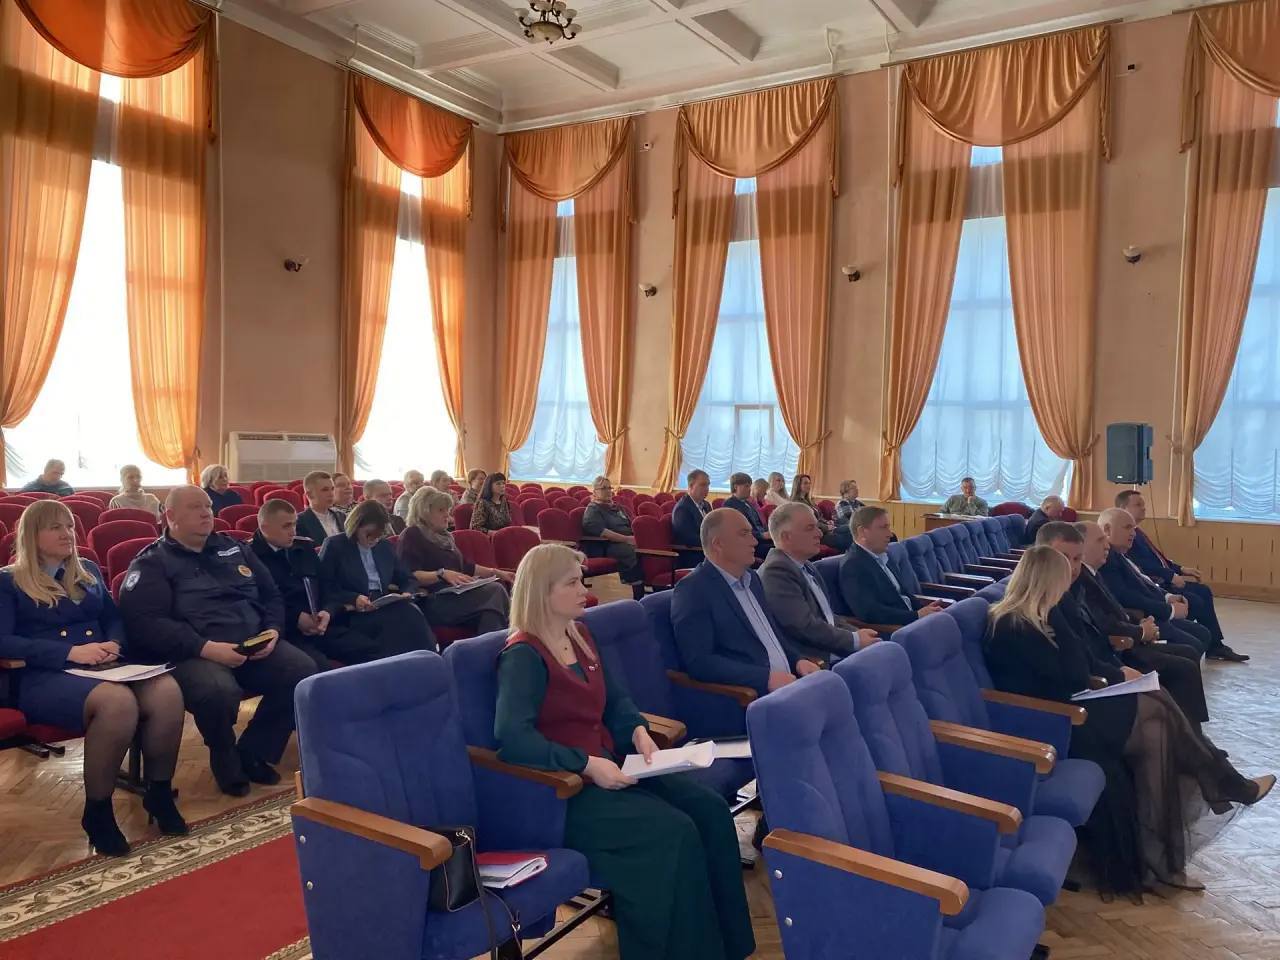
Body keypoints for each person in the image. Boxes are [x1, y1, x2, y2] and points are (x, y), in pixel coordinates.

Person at [495, 543, 754, 960]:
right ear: (543, 591)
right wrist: (585, 764)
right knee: (671, 832)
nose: (585, 590)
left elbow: (616, 701)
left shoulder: (580, 635)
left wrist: (636, 730)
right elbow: (513, 737)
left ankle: (729, 946)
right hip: (564, 793)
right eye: (572, 583)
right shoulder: (523, 655)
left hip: (613, 768)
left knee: (708, 809)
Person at [983, 546, 1272, 896]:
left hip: (1073, 705)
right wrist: (1061, 620)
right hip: (1053, 722)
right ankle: (1215, 788)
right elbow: (1073, 674)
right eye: (1061, 581)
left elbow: (1074, 671)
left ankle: (1167, 852)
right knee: (1155, 718)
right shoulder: (1015, 625)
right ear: (1046, 582)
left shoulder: (1036, 617)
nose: (1067, 586)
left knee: (1156, 716)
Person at [0, 500, 187, 855]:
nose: (67, 533)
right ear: (32, 535)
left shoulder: (85, 569)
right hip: (43, 674)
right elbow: (3, 640)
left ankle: (159, 792)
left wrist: (115, 642)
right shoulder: (8, 580)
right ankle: (98, 811)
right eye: (55, 527)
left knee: (167, 692)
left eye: (70, 526)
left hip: (100, 663)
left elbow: (113, 617)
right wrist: (69, 652)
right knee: (118, 703)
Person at [119, 486, 317, 797]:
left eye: (208, 506)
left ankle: (254, 750)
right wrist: (206, 648)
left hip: (253, 642)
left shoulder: (234, 548)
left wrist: (273, 631)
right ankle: (224, 756)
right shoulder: (153, 562)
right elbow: (147, 623)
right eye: (195, 507)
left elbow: (271, 595)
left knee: (303, 672)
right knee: (217, 691)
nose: (206, 513)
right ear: (170, 516)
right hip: (194, 652)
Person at [1041, 521, 1209, 731]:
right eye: (1100, 540)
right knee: (1173, 680)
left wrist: (1139, 625)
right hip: (1109, 661)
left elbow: (1105, 620)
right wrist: (1137, 636)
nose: (1107, 545)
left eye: (1075, 559)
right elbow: (1095, 636)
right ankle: (1190, 735)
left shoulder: (1083, 579)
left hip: (1111, 655)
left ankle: (1192, 734)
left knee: (1185, 660)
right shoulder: (1060, 596)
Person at [671, 508, 820, 698]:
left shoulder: (753, 579)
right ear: (718, 544)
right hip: (750, 697)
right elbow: (700, 662)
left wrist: (798, 660)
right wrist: (765, 678)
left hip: (788, 683)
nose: (754, 541)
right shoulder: (693, 590)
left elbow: (771, 634)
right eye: (744, 534)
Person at [252, 498, 392, 668]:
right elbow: (261, 602)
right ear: (265, 527)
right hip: (286, 630)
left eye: (294, 524)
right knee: (319, 668)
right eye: (286, 526)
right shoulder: (251, 556)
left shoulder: (303, 547)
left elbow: (326, 586)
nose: (293, 531)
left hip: (321, 624)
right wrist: (296, 618)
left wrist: (327, 611)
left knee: (373, 652)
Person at [1116, 490, 1245, 662]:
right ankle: (1187, 640)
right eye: (1138, 505)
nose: (1144, 508)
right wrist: (1170, 576)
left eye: (1143, 505)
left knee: (1203, 591)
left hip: (1161, 582)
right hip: (1156, 583)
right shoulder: (1125, 537)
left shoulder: (1137, 532)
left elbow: (1159, 559)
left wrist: (1181, 569)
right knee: (1195, 600)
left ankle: (1214, 645)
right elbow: (1142, 566)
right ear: (1123, 508)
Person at [759, 502, 878, 664]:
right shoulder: (777, 571)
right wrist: (854, 639)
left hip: (833, 647)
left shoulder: (806, 565)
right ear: (786, 537)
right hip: (815, 660)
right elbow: (804, 626)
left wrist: (857, 633)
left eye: (817, 527)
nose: (819, 534)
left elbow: (828, 616)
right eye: (810, 528)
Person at [318, 499, 438, 656]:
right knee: (395, 624)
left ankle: (429, 656)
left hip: (382, 601)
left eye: (378, 535)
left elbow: (407, 578)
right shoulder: (335, 546)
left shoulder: (384, 546)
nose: (374, 540)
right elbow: (325, 586)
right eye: (369, 534)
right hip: (352, 610)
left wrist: (406, 592)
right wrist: (353, 598)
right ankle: (413, 660)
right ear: (356, 526)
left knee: (410, 612)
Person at [1097, 507, 1215, 656]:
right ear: (1107, 530)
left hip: (1154, 609)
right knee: (1192, 646)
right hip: (1143, 618)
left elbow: (1144, 581)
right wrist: (1170, 610)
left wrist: (1167, 597)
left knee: (1203, 634)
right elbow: (1125, 596)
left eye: (1133, 528)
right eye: (1127, 528)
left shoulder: (1120, 554)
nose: (1133, 533)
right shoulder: (1107, 559)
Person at [398, 487, 512, 635]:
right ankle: (501, 643)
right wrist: (441, 574)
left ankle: (491, 645)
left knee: (491, 610)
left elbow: (466, 567)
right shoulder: (412, 534)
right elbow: (409, 576)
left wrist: (497, 572)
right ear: (424, 512)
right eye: (441, 510)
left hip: (456, 595)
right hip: (432, 600)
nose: (447, 515)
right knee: (495, 591)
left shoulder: (446, 537)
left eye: (447, 510)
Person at [840, 505, 943, 626]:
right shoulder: (853, 565)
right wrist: (916, 615)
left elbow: (903, 594)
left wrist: (925, 609)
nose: (890, 534)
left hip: (912, 621)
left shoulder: (883, 556)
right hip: (896, 630)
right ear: (862, 532)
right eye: (883, 528)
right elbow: (870, 612)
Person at [582, 475, 644, 598]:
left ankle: (656, 586)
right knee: (633, 551)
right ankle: (638, 595)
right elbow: (602, 532)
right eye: (604, 488)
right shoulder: (593, 510)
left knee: (648, 550)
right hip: (606, 546)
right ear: (595, 492)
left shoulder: (617, 507)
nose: (608, 491)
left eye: (609, 488)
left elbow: (631, 524)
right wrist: (627, 539)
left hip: (626, 541)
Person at [723, 471, 771, 561]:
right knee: (777, 550)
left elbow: (758, 523)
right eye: (746, 486)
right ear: (735, 487)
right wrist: (762, 535)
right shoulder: (730, 505)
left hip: (760, 540)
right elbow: (738, 531)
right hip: (749, 544)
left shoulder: (747, 503)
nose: (750, 489)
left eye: (750, 486)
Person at [671, 469, 711, 567]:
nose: (706, 489)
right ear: (691, 486)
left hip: (707, 552)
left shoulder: (706, 505)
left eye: (708, 485)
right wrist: (713, 543)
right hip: (692, 556)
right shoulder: (682, 508)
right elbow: (688, 538)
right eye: (703, 485)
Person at [295, 471, 346, 545]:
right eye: (325, 490)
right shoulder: (300, 522)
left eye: (332, 489)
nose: (331, 494)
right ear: (310, 495)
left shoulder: (341, 516)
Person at [788, 473, 837, 546]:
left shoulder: (810, 501)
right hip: (814, 534)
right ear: (798, 485)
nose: (809, 486)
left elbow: (820, 516)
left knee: (846, 530)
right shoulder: (797, 503)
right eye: (805, 483)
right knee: (844, 535)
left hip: (823, 529)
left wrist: (827, 522)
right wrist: (826, 527)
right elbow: (809, 522)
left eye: (809, 483)